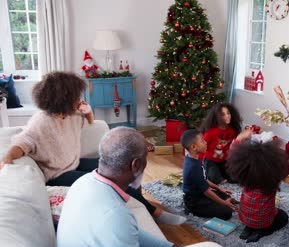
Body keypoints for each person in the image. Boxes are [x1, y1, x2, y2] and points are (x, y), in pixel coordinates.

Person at [0, 71, 185, 225]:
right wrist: (7, 158)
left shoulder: (71, 115)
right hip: (57, 174)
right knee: (113, 178)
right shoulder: (41, 121)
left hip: (74, 163)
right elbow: (23, 142)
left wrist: (88, 112)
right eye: (76, 96)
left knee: (126, 165)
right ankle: (154, 212)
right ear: (63, 98)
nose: (79, 99)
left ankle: (141, 202)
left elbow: (88, 123)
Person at [55, 127, 178, 247]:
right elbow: (120, 228)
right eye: (145, 157)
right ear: (135, 165)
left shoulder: (83, 182)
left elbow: (131, 233)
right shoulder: (114, 215)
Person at [227, 129, 289, 243]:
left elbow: (232, 151)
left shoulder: (245, 174)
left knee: (256, 211)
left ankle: (248, 228)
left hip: (244, 216)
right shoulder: (276, 172)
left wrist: (240, 137)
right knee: (283, 217)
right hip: (263, 221)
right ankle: (261, 232)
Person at [181, 129, 238, 220]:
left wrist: (219, 188)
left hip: (201, 193)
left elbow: (204, 179)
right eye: (202, 141)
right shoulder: (193, 167)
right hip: (194, 200)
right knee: (227, 212)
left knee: (226, 196)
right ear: (194, 147)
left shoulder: (194, 158)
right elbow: (207, 191)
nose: (206, 142)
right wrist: (224, 203)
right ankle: (190, 209)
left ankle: (222, 201)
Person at [200, 103, 242, 184]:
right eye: (223, 114)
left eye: (228, 113)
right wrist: (199, 163)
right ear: (216, 117)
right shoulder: (210, 132)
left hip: (225, 161)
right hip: (211, 161)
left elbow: (234, 146)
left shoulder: (233, 131)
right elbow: (202, 147)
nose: (227, 116)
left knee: (234, 179)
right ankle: (217, 175)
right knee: (214, 178)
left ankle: (222, 174)